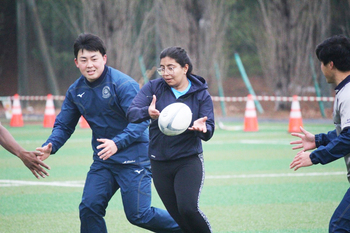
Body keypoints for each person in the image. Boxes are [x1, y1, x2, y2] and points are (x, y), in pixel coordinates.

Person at [36, 33, 182, 233]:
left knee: (139, 215)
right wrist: (51, 145)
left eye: (94, 59)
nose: (90, 65)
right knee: (89, 208)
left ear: (104, 59)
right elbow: (64, 125)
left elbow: (140, 121)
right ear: (76, 62)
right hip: (104, 160)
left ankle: (189, 228)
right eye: (84, 60)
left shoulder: (123, 84)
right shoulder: (75, 91)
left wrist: (117, 143)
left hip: (134, 159)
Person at [127, 46, 215, 233]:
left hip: (188, 160)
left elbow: (209, 129)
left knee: (188, 209)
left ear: (185, 68)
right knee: (178, 217)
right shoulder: (153, 88)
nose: (166, 73)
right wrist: (147, 112)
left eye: (171, 67)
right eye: (162, 68)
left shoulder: (201, 94)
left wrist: (203, 129)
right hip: (159, 161)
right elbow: (132, 113)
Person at [290, 34, 350, 233]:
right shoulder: (344, 90)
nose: (321, 68)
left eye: (321, 63)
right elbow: (344, 132)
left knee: (339, 226)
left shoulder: (348, 93)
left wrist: (315, 157)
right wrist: (318, 140)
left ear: (330, 64)